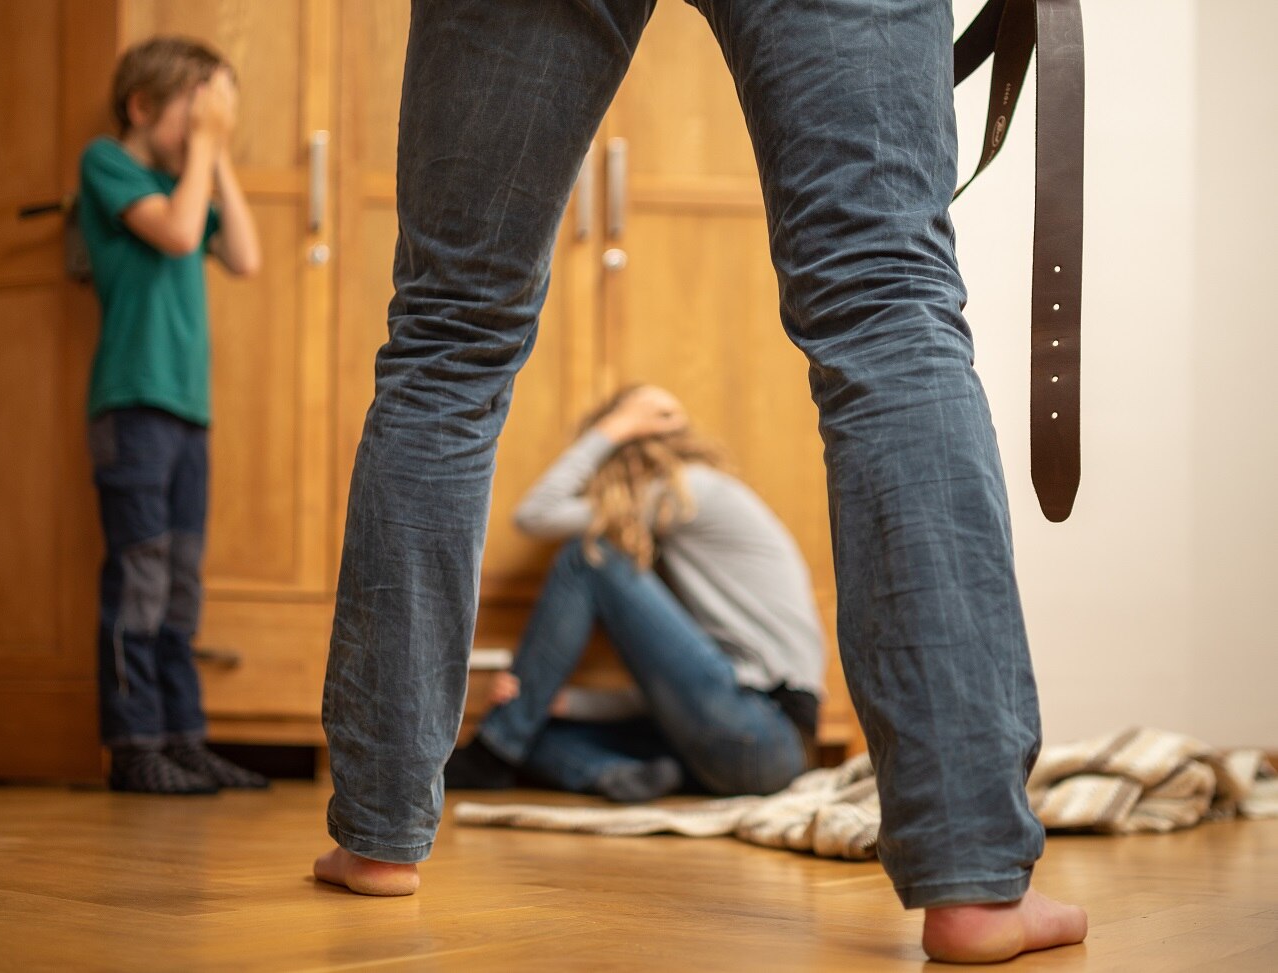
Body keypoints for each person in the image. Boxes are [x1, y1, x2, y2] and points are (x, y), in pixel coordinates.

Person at [313, 0, 1087, 961]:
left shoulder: (688, 494)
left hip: (753, 714)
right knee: (884, 305)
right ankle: (974, 874)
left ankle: (378, 829)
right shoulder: (684, 495)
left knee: (449, 341)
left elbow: (555, 514)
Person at [444, 385, 825, 803]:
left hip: (764, 729)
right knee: (542, 734)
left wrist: (613, 426)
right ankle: (616, 775)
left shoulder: (690, 491)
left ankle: (494, 749)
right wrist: (568, 703)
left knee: (589, 555)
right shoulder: (681, 548)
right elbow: (672, 694)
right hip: (754, 752)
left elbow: (537, 515)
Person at [77, 36, 266, 795]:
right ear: (142, 106)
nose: (208, 126)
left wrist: (213, 155)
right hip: (133, 404)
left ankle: (183, 738)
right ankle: (135, 742)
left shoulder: (186, 179)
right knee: (141, 575)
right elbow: (183, 233)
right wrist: (206, 152)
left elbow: (245, 255)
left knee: (181, 580)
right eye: (197, 110)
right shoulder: (109, 164)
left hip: (189, 411)